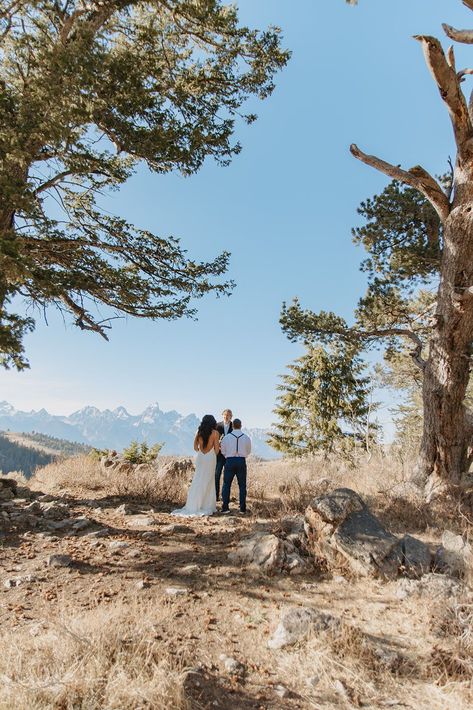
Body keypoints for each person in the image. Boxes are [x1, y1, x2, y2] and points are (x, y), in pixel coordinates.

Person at [171, 414, 219, 517]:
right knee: (209, 481)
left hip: (201, 457)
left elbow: (195, 448)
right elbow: (216, 450)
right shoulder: (215, 433)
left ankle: (194, 504)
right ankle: (207, 505)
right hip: (210, 458)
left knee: (198, 479)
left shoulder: (199, 432)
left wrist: (201, 451)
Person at [220, 419, 251, 514]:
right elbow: (248, 451)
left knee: (226, 484)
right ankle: (242, 509)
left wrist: (228, 456)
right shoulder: (246, 437)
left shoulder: (226, 437)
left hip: (229, 461)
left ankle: (225, 508)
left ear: (232, 426)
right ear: (241, 426)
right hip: (241, 461)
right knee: (242, 486)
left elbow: (223, 451)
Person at [215, 408, 233, 501]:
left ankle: (225, 497)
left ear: (231, 417)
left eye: (228, 415)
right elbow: (214, 439)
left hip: (229, 455)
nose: (226, 417)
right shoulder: (217, 425)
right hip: (219, 455)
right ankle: (216, 496)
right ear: (222, 416)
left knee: (227, 477)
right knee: (216, 475)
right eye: (225, 415)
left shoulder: (234, 426)